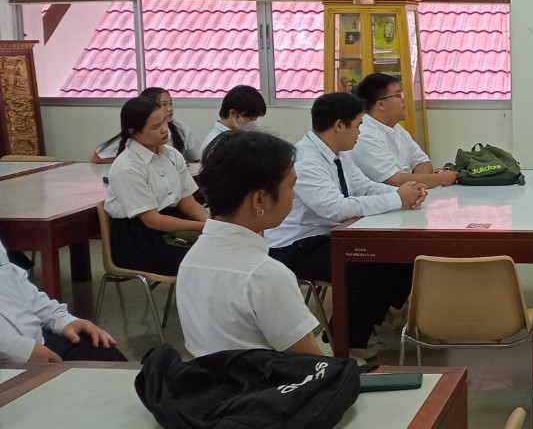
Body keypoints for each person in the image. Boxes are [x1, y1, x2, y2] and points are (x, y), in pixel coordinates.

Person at [264, 93, 427, 358]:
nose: (360, 132)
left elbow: (363, 186)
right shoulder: (305, 160)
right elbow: (335, 209)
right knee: (365, 265)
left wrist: (403, 192)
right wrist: (397, 198)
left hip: (331, 236)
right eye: (358, 125)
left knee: (401, 255)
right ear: (339, 125)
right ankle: (342, 341)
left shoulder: (338, 154)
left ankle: (366, 324)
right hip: (295, 246)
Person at [177, 130, 322, 358]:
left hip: (206, 377)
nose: (294, 196)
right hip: (263, 379)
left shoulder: (191, 260)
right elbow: (313, 364)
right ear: (259, 199)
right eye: (291, 186)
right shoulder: (265, 274)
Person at [104, 96, 208, 276]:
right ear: (134, 132)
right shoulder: (127, 167)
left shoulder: (172, 155)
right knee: (207, 259)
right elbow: (152, 220)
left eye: (165, 122)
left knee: (225, 245)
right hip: (140, 239)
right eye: (155, 127)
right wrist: (203, 227)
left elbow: (187, 202)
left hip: (171, 224)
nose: (164, 130)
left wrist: (213, 223)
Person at [0, 242, 125, 364]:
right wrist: (18, 350)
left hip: (34, 340)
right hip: (9, 357)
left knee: (108, 357)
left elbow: (13, 280)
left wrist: (61, 319)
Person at [350, 73, 458, 188]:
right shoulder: (364, 133)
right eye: (398, 95)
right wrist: (441, 179)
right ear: (381, 104)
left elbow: (423, 163)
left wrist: (416, 185)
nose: (404, 100)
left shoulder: (396, 127)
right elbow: (392, 180)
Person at [92, 87, 200, 164]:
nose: (170, 109)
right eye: (163, 105)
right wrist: (131, 161)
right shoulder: (135, 134)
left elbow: (196, 158)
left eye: (171, 103)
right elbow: (96, 157)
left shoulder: (180, 129)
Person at [199, 85, 267, 153]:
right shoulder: (217, 143)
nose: (254, 122)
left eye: (256, 118)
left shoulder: (237, 136)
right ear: (233, 113)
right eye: (250, 118)